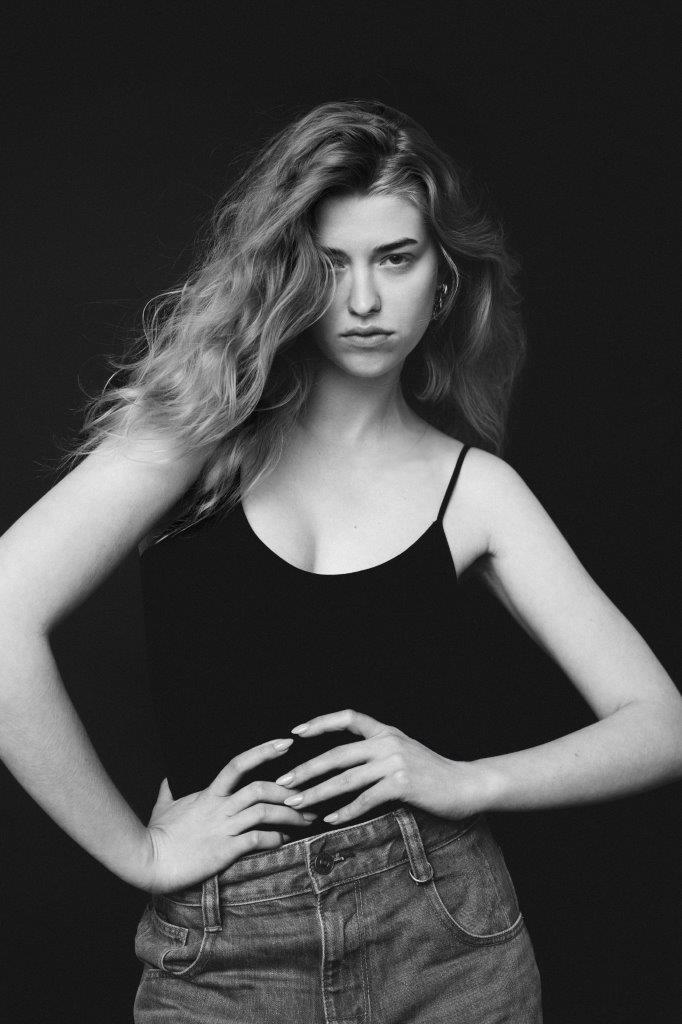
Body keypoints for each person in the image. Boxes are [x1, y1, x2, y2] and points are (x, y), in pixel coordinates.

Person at [0, 99, 680, 1023]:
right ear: (287, 274)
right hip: (225, 950)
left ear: (444, 277)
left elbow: (661, 725)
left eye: (395, 259)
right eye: (330, 264)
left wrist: (469, 779)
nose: (362, 301)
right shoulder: (191, 441)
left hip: (445, 937)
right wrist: (138, 853)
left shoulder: (475, 490)